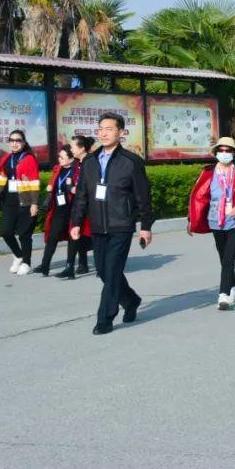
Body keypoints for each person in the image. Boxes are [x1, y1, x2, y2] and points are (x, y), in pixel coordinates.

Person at [69, 113, 153, 335]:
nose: (104, 133)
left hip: (122, 225)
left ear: (121, 132)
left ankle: (104, 319)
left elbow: (143, 196)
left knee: (113, 270)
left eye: (109, 129)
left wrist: (145, 226)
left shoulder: (131, 162)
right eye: (101, 129)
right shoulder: (89, 161)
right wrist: (76, 222)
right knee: (104, 271)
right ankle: (131, 300)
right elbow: (82, 195)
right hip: (98, 225)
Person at [186, 137, 235, 310]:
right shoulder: (207, 172)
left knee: (229, 258)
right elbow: (198, 197)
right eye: (221, 150)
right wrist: (191, 219)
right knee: (224, 258)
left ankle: (224, 295)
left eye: (228, 150)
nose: (225, 153)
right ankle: (232, 286)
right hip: (215, 222)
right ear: (216, 152)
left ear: (234, 153)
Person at [0, 129, 40, 275]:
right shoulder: (6, 158)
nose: (14, 143)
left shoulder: (29, 158)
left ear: (23, 143)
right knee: (5, 231)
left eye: (18, 140)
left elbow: (34, 182)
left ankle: (27, 263)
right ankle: (18, 256)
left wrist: (34, 203)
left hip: (25, 201)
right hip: (9, 201)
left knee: (25, 234)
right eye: (12, 140)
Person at [32, 146, 80, 276]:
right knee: (52, 237)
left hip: (73, 209)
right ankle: (45, 265)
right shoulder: (58, 170)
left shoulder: (77, 171)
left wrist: (72, 187)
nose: (59, 159)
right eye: (59, 156)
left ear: (71, 159)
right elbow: (54, 184)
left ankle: (71, 268)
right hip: (59, 209)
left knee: (73, 238)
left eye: (62, 157)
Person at [66, 135, 95, 275]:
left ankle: (103, 263)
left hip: (91, 206)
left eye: (72, 146)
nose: (71, 149)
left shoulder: (92, 162)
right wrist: (70, 188)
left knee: (91, 235)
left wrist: (80, 189)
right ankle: (75, 265)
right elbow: (69, 180)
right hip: (77, 204)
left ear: (82, 147)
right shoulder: (75, 163)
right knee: (76, 233)